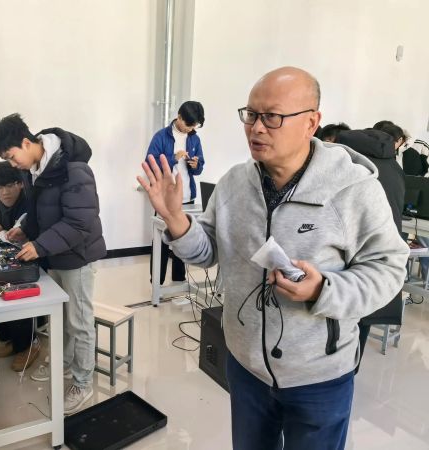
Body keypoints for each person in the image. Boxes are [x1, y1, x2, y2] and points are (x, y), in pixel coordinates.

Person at [138, 67, 409, 450]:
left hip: (318, 376)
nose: (256, 128)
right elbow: (208, 252)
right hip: (246, 367)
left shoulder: (353, 190)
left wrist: (323, 289)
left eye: (272, 117)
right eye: (251, 115)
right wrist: (177, 221)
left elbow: (389, 269)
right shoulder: (235, 184)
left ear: (311, 122)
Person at [0, 113, 106, 415]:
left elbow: (79, 222)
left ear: (27, 143)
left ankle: (83, 382)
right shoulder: (35, 170)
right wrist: (26, 229)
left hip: (77, 257)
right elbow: (42, 210)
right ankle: (63, 364)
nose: (13, 164)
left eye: (11, 156)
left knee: (80, 322)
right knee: (61, 318)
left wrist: (39, 245)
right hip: (55, 254)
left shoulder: (73, 169)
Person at [335, 129, 405, 369]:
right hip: (380, 260)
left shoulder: (351, 168)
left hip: (351, 260)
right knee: (365, 320)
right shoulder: (393, 167)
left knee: (344, 324)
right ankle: (351, 370)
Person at [0, 161, 41, 372]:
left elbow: (24, 237)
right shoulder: (0, 206)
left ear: (20, 183)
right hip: (14, 255)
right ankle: (12, 340)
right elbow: (8, 235)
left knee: (16, 294)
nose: (4, 192)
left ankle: (28, 345)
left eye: (9, 185)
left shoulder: (29, 202)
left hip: (34, 258)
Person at [146, 100, 205, 285]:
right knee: (161, 241)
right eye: (188, 124)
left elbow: (199, 167)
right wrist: (173, 158)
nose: (190, 129)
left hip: (187, 197)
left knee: (183, 238)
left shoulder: (194, 139)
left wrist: (196, 165)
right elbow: (150, 163)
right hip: (165, 199)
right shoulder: (161, 136)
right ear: (179, 117)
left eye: (194, 126)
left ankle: (179, 278)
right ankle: (157, 281)